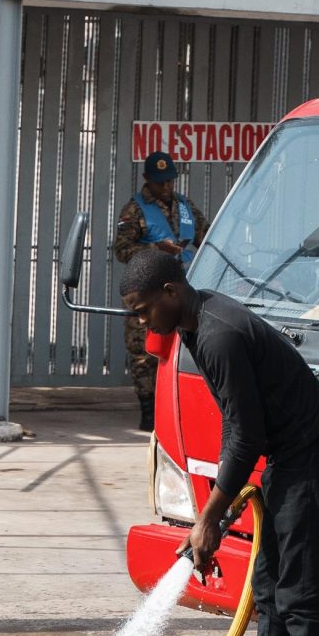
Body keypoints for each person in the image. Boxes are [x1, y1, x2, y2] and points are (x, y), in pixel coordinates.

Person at [118, 249, 319, 636]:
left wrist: (208, 520)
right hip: (287, 458)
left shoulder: (217, 334)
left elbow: (245, 438)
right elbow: (238, 423)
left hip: (311, 458)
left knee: (299, 599)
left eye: (143, 309)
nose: (141, 321)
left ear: (171, 293)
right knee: (268, 590)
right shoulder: (196, 324)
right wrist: (212, 515)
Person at [112, 150, 208, 430]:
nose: (165, 187)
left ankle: (181, 408)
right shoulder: (135, 209)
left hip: (182, 291)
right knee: (144, 353)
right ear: (147, 179)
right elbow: (121, 250)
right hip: (149, 294)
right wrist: (156, 249)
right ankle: (148, 412)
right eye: (159, 182)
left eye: (169, 181)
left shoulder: (185, 205)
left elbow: (207, 235)